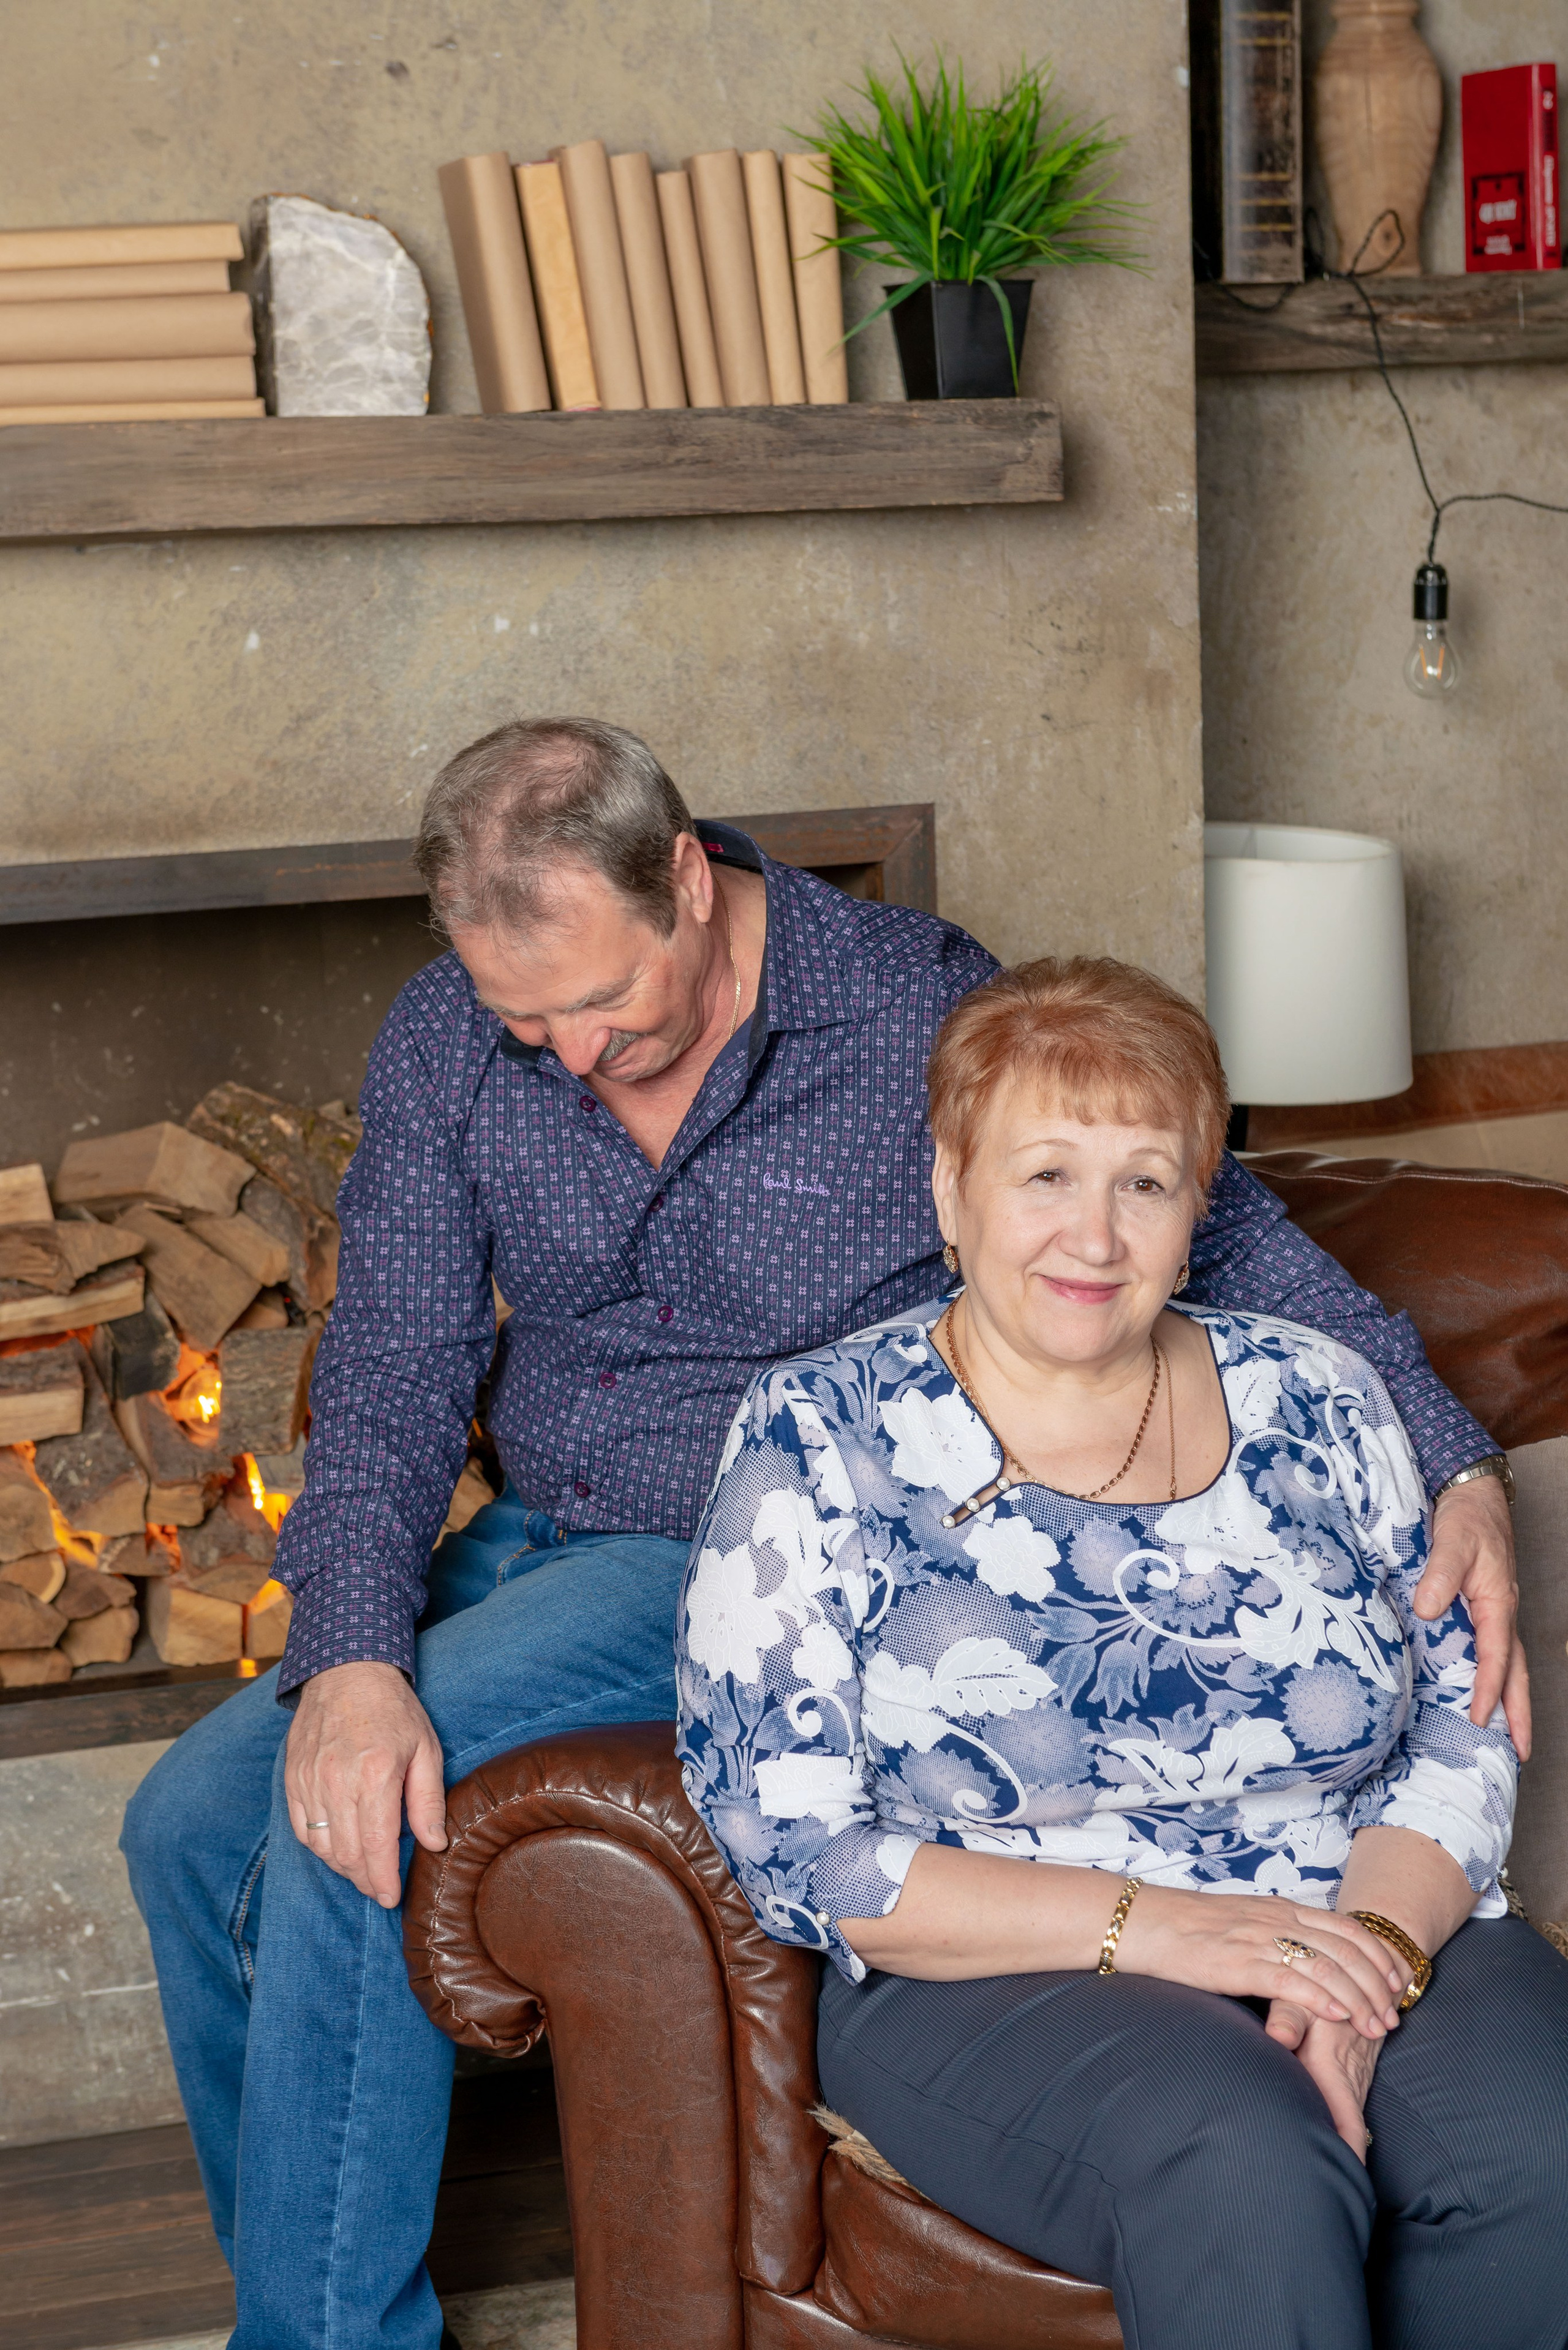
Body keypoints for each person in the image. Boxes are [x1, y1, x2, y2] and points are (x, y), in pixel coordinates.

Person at [123, 721, 1526, 2350]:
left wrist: (1454, 1463)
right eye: (530, 1020)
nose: (568, 1052)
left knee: (353, 1807)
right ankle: (320, 2278)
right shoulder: (448, 1036)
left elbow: (1229, 1231)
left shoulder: (904, 996)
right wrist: (353, 1645)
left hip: (746, 1543)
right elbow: (391, 1364)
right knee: (184, 1823)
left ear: (695, 888)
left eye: (604, 1004)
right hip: (532, 1532)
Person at [677, 955, 1567, 2350]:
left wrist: (1368, 1956)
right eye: (1043, 1174)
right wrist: (1176, 1929)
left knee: (1541, 2142)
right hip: (995, 1960)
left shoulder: (1317, 1393)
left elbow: (1460, 1714)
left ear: (1195, 1208)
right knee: (1249, 2155)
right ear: (948, 1190)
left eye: (1143, 1180)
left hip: (1349, 1903)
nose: (1091, 1234)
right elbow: (795, 1843)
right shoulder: (816, 1434)